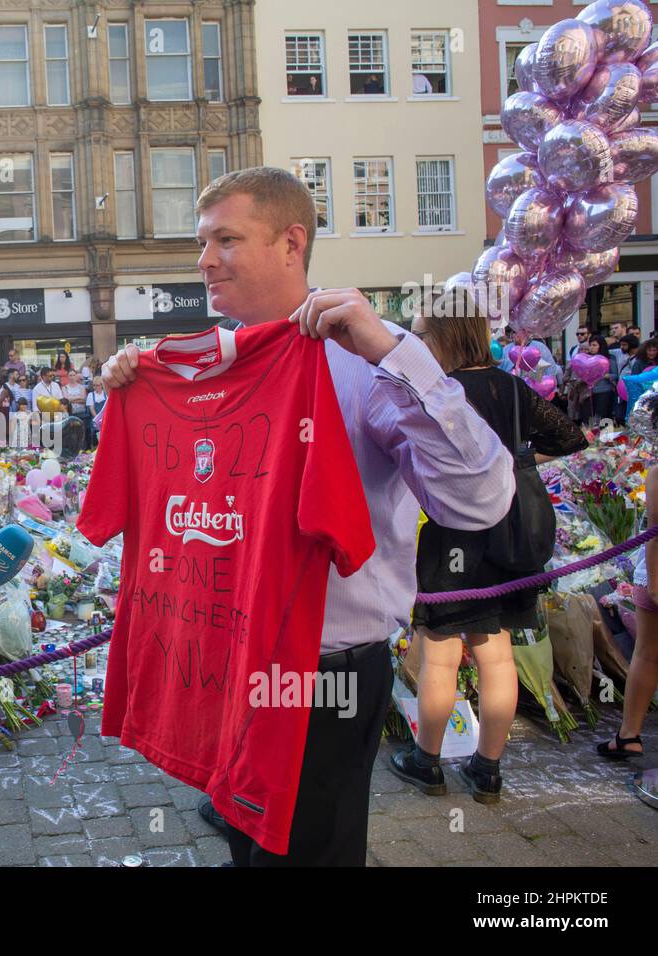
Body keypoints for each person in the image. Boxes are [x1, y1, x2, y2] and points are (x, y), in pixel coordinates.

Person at [99, 166, 512, 866]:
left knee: (309, 857)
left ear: (291, 243)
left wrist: (392, 350)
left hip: (324, 679)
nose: (203, 261)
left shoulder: (361, 361)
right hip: (226, 662)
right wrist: (130, 392)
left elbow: (482, 498)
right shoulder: (199, 367)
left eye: (225, 239)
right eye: (202, 242)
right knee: (246, 849)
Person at [393, 291, 586, 803]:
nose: (416, 342)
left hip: (455, 540)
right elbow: (572, 437)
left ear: (443, 337)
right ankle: (488, 769)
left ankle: (426, 761)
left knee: (441, 657)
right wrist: (517, 463)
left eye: (422, 334)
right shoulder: (512, 387)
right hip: (512, 540)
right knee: (497, 656)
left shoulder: (442, 392)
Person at [597, 462, 658, 759]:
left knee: (647, 654)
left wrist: (656, 584)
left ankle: (629, 734)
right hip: (654, 579)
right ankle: (627, 735)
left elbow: (655, 533)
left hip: (656, 578)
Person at [585, 334, 620, 426]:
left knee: (603, 417)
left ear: (601, 346)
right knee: (591, 417)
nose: (591, 348)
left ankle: (606, 437)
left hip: (605, 391)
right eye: (590, 345)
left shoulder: (609, 358)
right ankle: (593, 437)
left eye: (594, 345)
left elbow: (615, 375)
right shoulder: (587, 359)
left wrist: (606, 375)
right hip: (590, 391)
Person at [85, 377, 108, 448]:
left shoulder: (106, 394)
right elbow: (92, 409)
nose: (95, 387)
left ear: (102, 385)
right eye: (94, 385)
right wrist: (98, 419)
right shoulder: (90, 395)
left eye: (97, 385)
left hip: (106, 418)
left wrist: (105, 418)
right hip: (96, 420)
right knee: (96, 439)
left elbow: (108, 406)